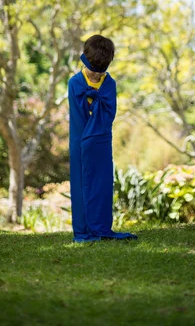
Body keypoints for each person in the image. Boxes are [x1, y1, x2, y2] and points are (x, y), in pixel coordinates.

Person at [68, 34, 138, 243]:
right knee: (81, 184)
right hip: (80, 140)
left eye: (100, 74)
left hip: (101, 141)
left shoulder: (110, 84)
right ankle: (83, 230)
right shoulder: (75, 83)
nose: (96, 78)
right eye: (93, 73)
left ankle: (101, 227)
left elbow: (109, 113)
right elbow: (78, 116)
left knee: (102, 184)